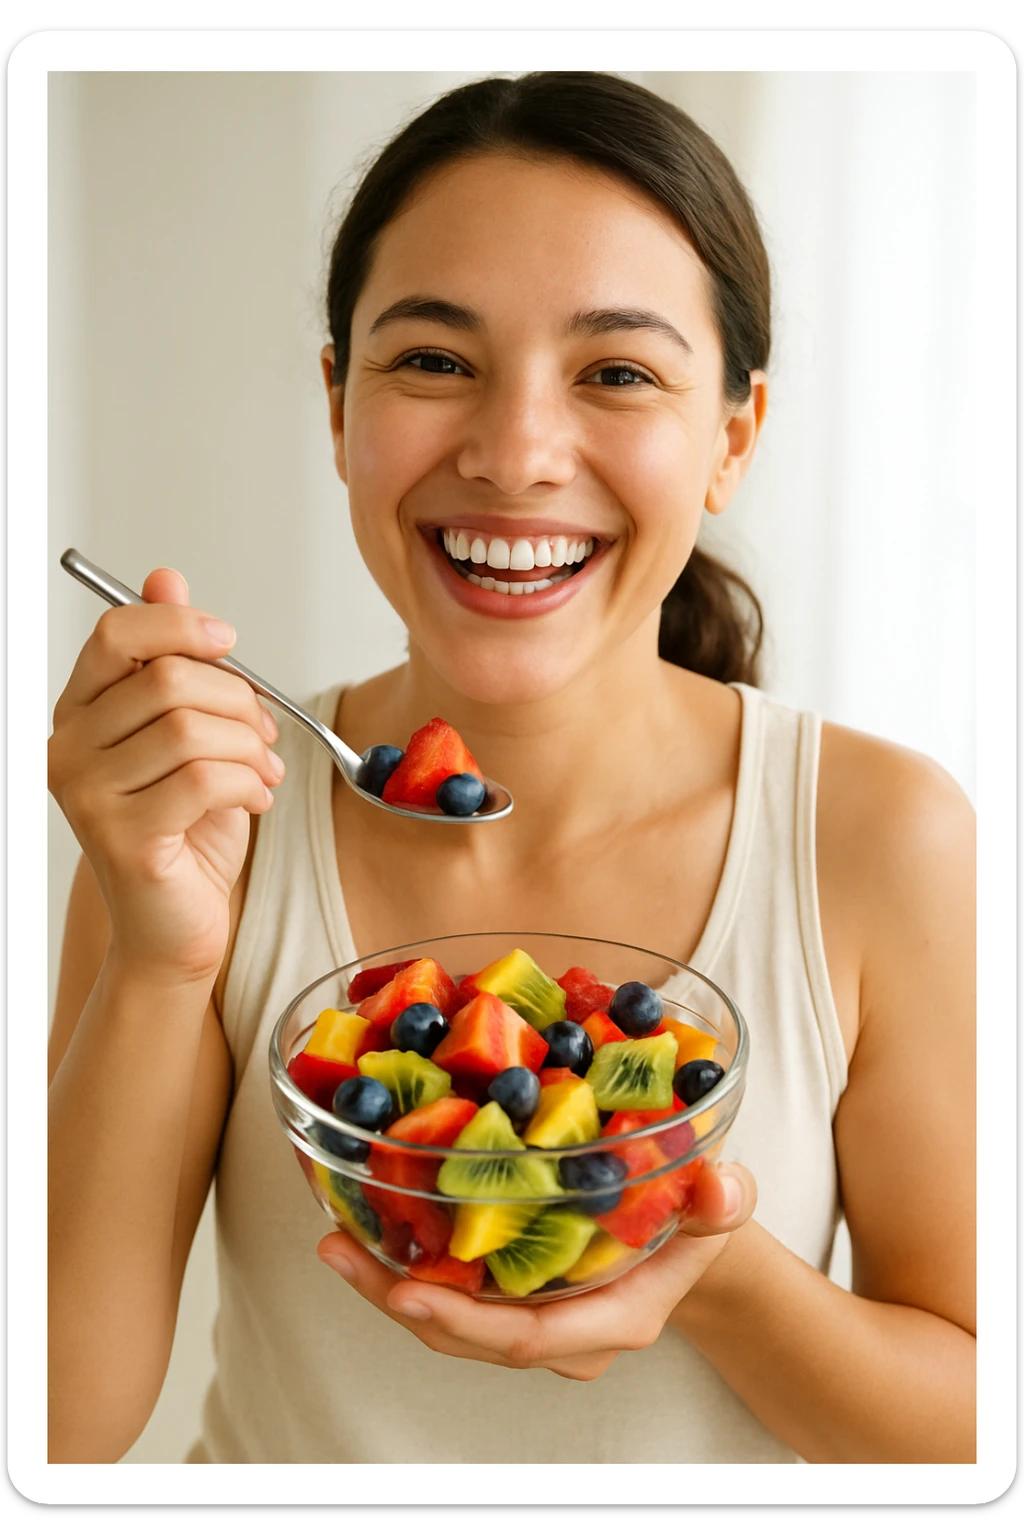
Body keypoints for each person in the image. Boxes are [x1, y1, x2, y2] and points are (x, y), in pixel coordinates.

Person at [46, 72, 975, 1465]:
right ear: (337, 404)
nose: (516, 455)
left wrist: (701, 1265)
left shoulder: (880, 835)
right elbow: (51, 1431)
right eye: (434, 361)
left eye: (617, 373)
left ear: (731, 438)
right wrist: (162, 958)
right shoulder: (211, 824)